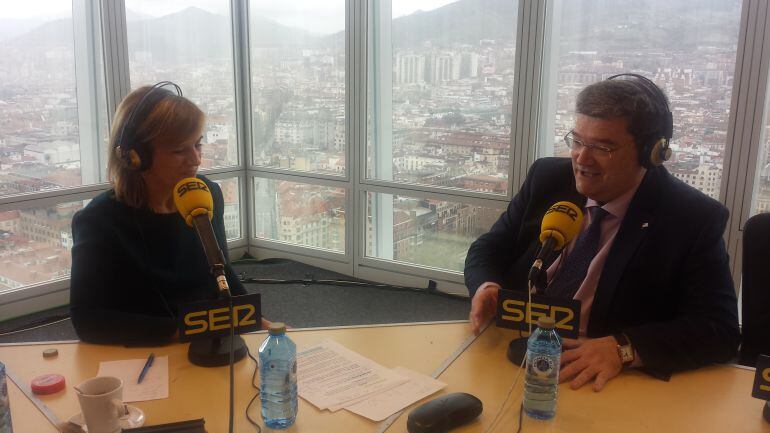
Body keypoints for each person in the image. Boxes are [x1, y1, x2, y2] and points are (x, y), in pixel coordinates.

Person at [464, 74, 740, 391]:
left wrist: (624, 348)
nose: (582, 158)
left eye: (603, 147)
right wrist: (486, 285)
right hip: (512, 351)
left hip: (603, 379)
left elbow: (719, 331)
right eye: (578, 141)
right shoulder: (547, 178)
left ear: (651, 154)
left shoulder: (691, 217)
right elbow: (488, 247)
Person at [70, 82, 268, 345]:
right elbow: (88, 321)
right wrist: (183, 331)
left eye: (197, 145)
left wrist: (254, 320)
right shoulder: (99, 220)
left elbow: (220, 270)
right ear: (135, 157)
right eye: (179, 150)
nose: (196, 159)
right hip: (144, 352)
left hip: (209, 342)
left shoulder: (206, 194)